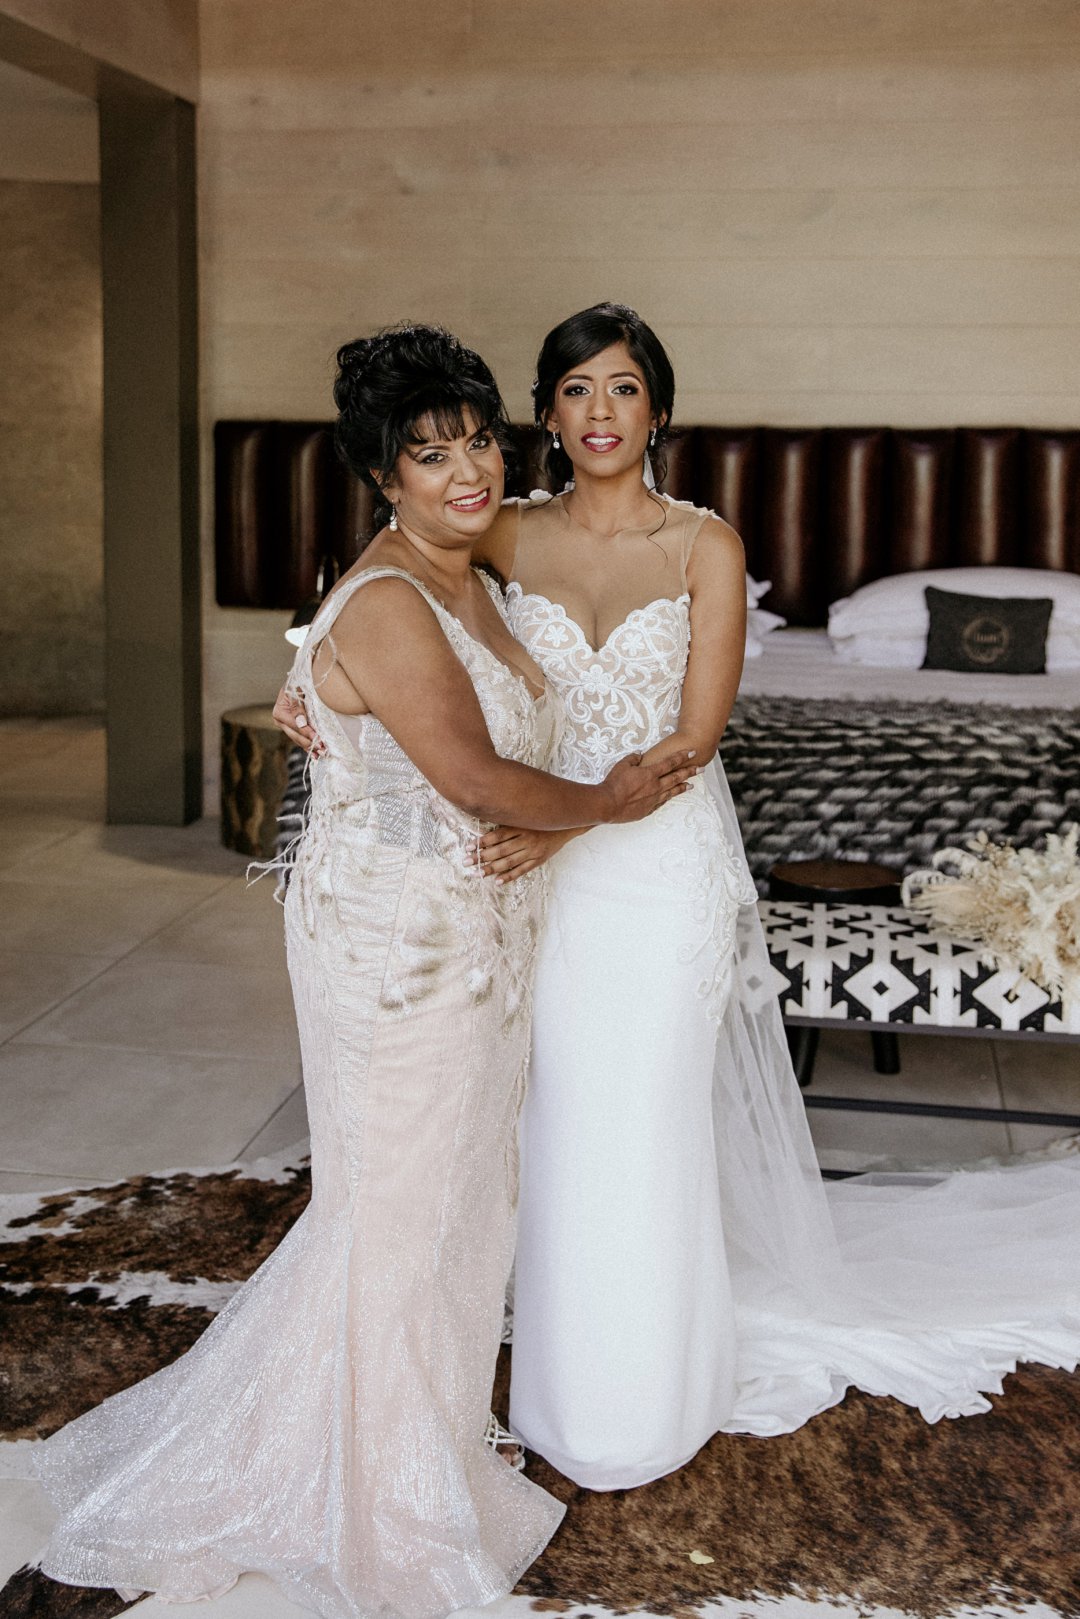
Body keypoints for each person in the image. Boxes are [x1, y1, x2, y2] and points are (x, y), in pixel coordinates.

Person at [277, 307, 1080, 1496]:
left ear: (658, 409)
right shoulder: (501, 526)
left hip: (651, 871)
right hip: (538, 878)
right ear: (546, 415)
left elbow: (692, 741)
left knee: (641, 1123)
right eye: (576, 390)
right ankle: (557, 1391)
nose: (600, 412)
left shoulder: (707, 544)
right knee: (549, 1124)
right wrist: (307, 668)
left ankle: (647, 1397)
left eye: (624, 387)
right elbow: (399, 573)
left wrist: (560, 829)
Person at [35, 323, 696, 1615]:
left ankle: (417, 1442)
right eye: (430, 455)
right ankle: (378, 1495)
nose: (468, 472)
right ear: (382, 476)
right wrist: (607, 803)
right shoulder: (394, 597)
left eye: (480, 443)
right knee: (399, 1208)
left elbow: (579, 566)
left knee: (451, 1197)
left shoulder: (470, 568)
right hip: (402, 943)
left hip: (473, 929)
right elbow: (475, 778)